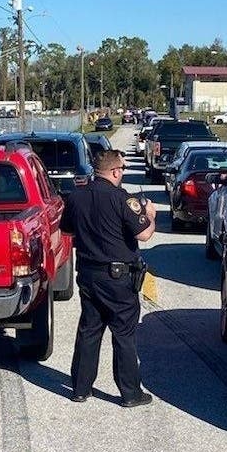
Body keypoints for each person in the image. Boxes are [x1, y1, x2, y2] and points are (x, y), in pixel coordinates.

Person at [60, 149, 157, 407]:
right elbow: (144, 234)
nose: (122, 173)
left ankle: (80, 388)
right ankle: (130, 393)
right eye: (122, 169)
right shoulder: (122, 199)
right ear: (115, 172)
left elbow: (67, 229)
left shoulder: (76, 197)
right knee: (123, 333)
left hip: (89, 274)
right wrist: (151, 216)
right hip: (117, 278)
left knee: (89, 330)